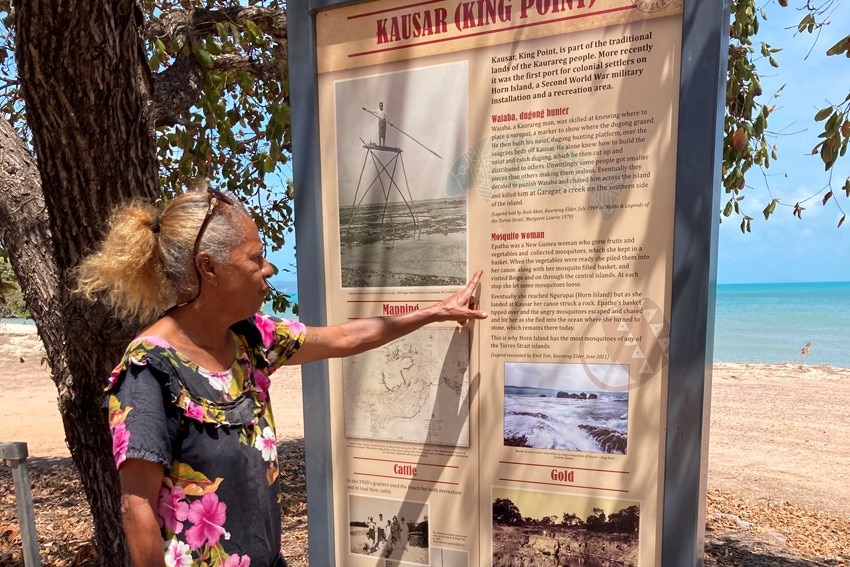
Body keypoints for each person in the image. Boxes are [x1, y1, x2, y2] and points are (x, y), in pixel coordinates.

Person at [74, 187, 486, 567]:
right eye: (255, 258)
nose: (269, 268)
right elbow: (136, 506)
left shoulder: (250, 338)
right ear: (209, 267)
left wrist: (434, 312)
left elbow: (342, 337)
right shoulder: (150, 371)